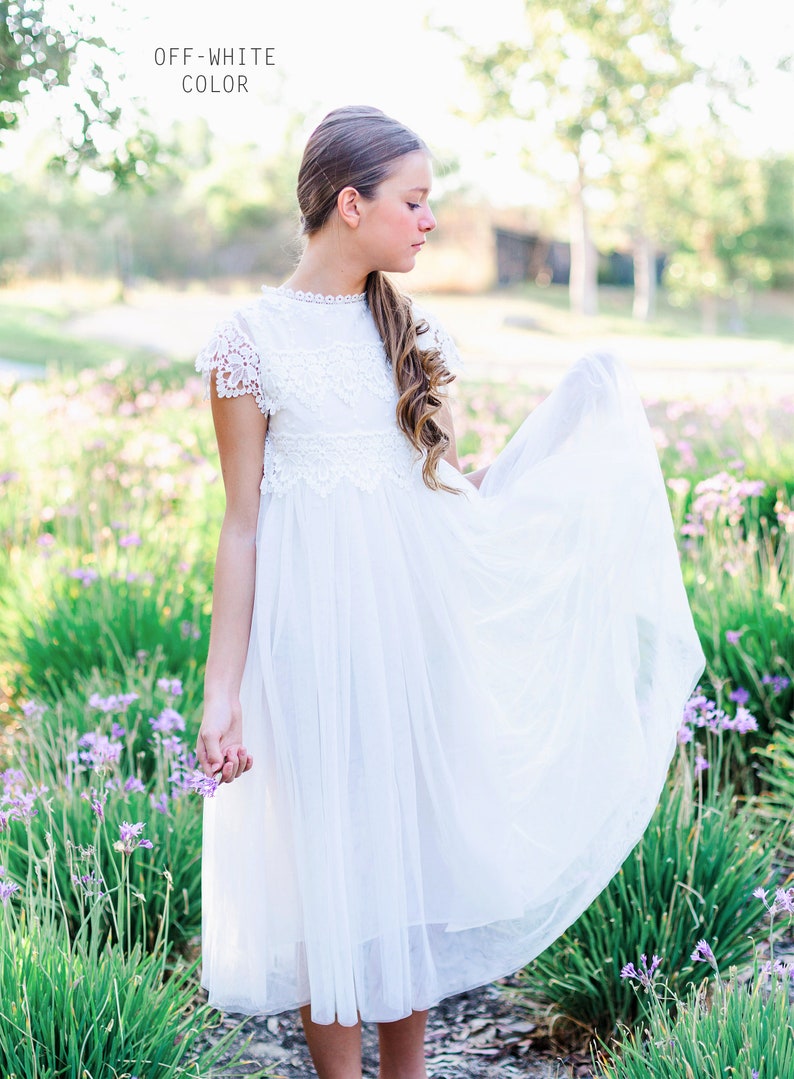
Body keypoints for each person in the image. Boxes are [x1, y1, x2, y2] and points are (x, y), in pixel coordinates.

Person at [194, 105, 705, 1079]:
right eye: (414, 201)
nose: (428, 221)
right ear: (350, 204)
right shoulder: (248, 339)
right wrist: (224, 689)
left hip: (415, 634)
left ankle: (408, 1070)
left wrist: (572, 434)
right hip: (307, 642)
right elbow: (242, 522)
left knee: (407, 846)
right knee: (326, 862)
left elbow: (450, 500)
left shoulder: (415, 331)